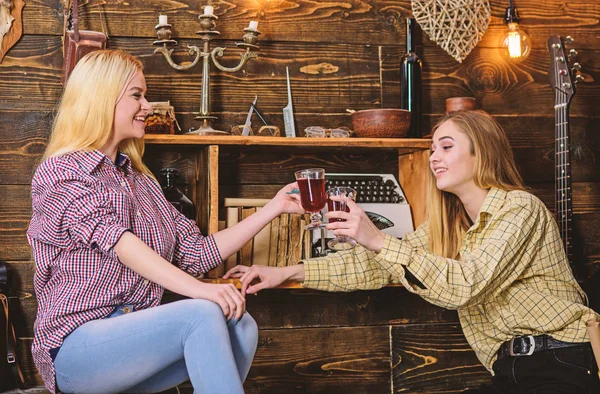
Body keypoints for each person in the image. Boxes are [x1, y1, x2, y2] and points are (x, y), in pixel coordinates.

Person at [225, 110, 600, 393]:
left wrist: (376, 238)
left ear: (481, 152)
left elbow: (464, 285)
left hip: (562, 360)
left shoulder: (519, 209)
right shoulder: (450, 226)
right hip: (510, 371)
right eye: (432, 149)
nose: (434, 156)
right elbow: (377, 267)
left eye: (446, 147)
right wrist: (289, 272)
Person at [26, 49, 303, 394]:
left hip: (135, 337)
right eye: (137, 96)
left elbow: (197, 254)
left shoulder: (141, 180)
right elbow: (119, 242)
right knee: (201, 313)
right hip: (75, 348)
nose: (147, 106)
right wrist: (203, 292)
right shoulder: (62, 171)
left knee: (241, 325)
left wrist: (274, 207)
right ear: (101, 99)